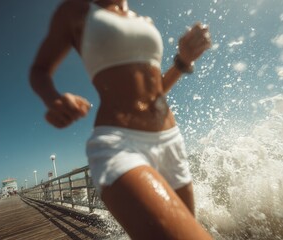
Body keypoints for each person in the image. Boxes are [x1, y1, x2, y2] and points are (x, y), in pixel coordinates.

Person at [30, 0, 213, 239]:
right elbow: (39, 70)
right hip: (120, 144)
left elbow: (155, 90)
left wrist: (183, 61)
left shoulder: (144, 21)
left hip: (171, 141)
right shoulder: (76, 10)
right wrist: (52, 98)